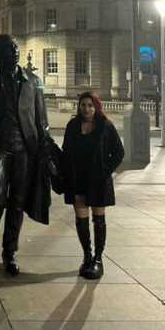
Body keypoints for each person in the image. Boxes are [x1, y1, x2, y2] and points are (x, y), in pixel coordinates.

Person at [0, 34, 51, 274]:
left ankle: (9, 252)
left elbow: (41, 118)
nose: (15, 51)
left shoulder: (34, 80)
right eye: (10, 48)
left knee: (17, 202)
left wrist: (44, 147)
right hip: (0, 145)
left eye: (16, 47)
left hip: (25, 147)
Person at [61, 91, 124, 280]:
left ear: (96, 107)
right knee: (81, 220)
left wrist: (104, 172)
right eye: (83, 105)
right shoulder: (73, 125)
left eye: (90, 105)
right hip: (77, 178)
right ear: (79, 107)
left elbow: (118, 152)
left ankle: (98, 259)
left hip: (97, 180)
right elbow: (66, 150)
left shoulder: (105, 126)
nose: (86, 109)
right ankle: (87, 257)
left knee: (98, 220)